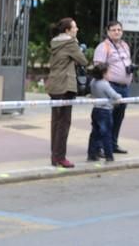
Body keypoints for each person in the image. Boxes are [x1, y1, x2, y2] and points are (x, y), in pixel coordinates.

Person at [48, 17, 88, 168]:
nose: (77, 29)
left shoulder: (55, 42)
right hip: (65, 86)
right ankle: (60, 157)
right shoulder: (70, 43)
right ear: (67, 30)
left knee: (56, 123)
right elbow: (83, 61)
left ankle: (55, 156)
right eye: (75, 27)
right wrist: (79, 48)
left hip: (54, 85)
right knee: (64, 124)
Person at [93, 20, 134, 154]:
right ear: (108, 32)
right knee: (106, 118)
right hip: (109, 87)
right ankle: (99, 147)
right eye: (114, 30)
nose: (117, 32)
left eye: (119, 30)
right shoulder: (103, 47)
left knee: (118, 117)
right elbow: (98, 67)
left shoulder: (124, 45)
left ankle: (112, 144)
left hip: (124, 87)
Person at [87, 63, 121, 162]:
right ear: (103, 73)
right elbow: (114, 95)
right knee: (106, 134)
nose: (110, 74)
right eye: (108, 72)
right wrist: (119, 97)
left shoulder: (93, 82)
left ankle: (92, 154)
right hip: (105, 111)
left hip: (96, 110)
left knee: (95, 133)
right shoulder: (104, 84)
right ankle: (109, 155)